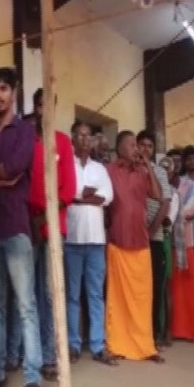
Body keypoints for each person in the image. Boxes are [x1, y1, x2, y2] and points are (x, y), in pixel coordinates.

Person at [0, 67, 44, 387]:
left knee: (26, 306)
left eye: (3, 88)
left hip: (17, 228)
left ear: (14, 92)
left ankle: (32, 381)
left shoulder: (25, 130)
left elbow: (14, 169)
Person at [28, 88, 76, 381]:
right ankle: (30, 354)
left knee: (49, 294)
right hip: (26, 226)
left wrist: (43, 215)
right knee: (28, 296)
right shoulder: (28, 141)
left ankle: (49, 356)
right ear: (34, 108)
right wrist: (31, 217)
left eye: (48, 104)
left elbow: (68, 189)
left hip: (52, 227)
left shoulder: (62, 142)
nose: (42, 109)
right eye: (38, 104)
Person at [106, 130, 164, 363]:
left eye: (136, 145)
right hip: (118, 243)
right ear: (119, 148)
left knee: (142, 299)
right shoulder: (110, 171)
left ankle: (145, 347)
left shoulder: (142, 172)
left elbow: (159, 196)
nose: (136, 148)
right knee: (117, 301)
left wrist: (148, 165)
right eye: (131, 144)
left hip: (140, 244)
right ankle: (118, 344)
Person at [64, 122, 116, 365]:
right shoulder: (65, 164)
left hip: (96, 241)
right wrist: (84, 195)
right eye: (80, 136)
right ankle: (73, 345)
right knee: (72, 295)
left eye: (88, 136)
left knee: (95, 295)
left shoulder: (99, 168)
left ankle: (97, 345)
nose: (85, 140)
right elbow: (68, 193)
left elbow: (108, 197)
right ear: (72, 139)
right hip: (72, 239)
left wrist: (81, 197)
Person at [137, 130, 173, 349]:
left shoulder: (159, 172)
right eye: (141, 145)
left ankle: (153, 334)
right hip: (135, 240)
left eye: (149, 146)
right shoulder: (132, 170)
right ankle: (140, 333)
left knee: (155, 289)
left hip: (155, 238)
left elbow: (165, 204)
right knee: (139, 288)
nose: (145, 150)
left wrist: (151, 230)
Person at [170, 145, 194, 341]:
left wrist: (185, 213)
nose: (191, 162)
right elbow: (175, 206)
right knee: (183, 285)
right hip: (184, 239)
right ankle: (182, 329)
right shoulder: (182, 183)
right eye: (189, 159)